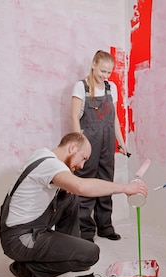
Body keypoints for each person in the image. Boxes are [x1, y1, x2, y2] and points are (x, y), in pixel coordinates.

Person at [0, 132, 147, 277]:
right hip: (20, 239)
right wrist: (125, 188)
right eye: (83, 158)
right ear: (72, 147)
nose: (82, 165)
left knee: (70, 197)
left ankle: (70, 252)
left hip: (22, 229)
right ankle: (29, 270)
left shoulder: (42, 154)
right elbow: (81, 186)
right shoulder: (51, 165)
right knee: (90, 254)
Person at [70, 50, 128, 242]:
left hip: (107, 141)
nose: (105, 76)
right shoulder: (81, 87)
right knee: (86, 183)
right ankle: (85, 231)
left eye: (109, 72)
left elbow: (115, 118)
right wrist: (79, 145)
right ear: (93, 64)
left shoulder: (111, 88)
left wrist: (121, 141)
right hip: (89, 141)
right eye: (102, 71)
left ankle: (105, 226)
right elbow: (74, 117)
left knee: (106, 182)